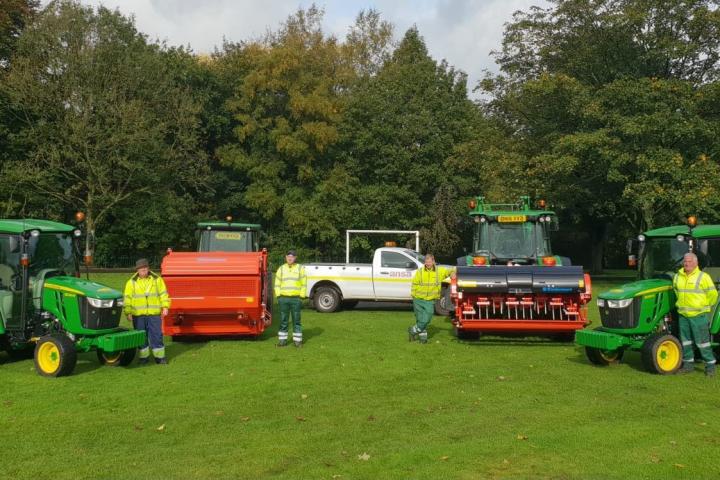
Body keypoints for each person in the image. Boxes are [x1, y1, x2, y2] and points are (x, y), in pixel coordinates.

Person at [674, 252, 718, 376]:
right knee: (686, 342)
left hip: (698, 316)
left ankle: (710, 367)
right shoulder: (677, 276)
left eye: (690, 261)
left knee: (702, 343)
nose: (687, 263)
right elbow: (676, 291)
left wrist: (703, 307)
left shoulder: (703, 277)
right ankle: (688, 366)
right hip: (683, 315)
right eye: (685, 261)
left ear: (696, 263)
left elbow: (713, 295)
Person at [123, 258, 171, 365]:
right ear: (137, 270)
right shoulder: (131, 282)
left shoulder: (157, 279)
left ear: (148, 268)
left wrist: (165, 307)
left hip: (154, 314)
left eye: (145, 268)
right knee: (141, 337)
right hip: (138, 315)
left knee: (157, 335)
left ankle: (160, 358)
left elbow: (163, 294)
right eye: (141, 269)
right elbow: (127, 298)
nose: (143, 270)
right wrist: (128, 312)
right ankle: (143, 358)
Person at [408, 253, 456, 344]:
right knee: (420, 319)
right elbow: (414, 283)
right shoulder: (420, 271)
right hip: (418, 299)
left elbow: (451, 270)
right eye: (426, 262)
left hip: (430, 300)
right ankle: (423, 340)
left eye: (430, 261)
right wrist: (413, 295)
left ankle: (413, 330)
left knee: (428, 317)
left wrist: (452, 273)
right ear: (425, 262)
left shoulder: (439, 271)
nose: (428, 263)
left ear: (433, 261)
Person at [274, 250, 307, 347]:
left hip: (296, 299)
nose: (290, 258)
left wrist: (301, 297)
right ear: (285, 257)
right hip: (283, 298)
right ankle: (282, 341)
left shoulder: (300, 268)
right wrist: (279, 296)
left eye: (292, 256)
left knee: (296, 320)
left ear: (295, 258)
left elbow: (304, 283)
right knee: (283, 320)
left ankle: (297, 341)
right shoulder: (281, 269)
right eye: (288, 256)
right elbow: (277, 284)